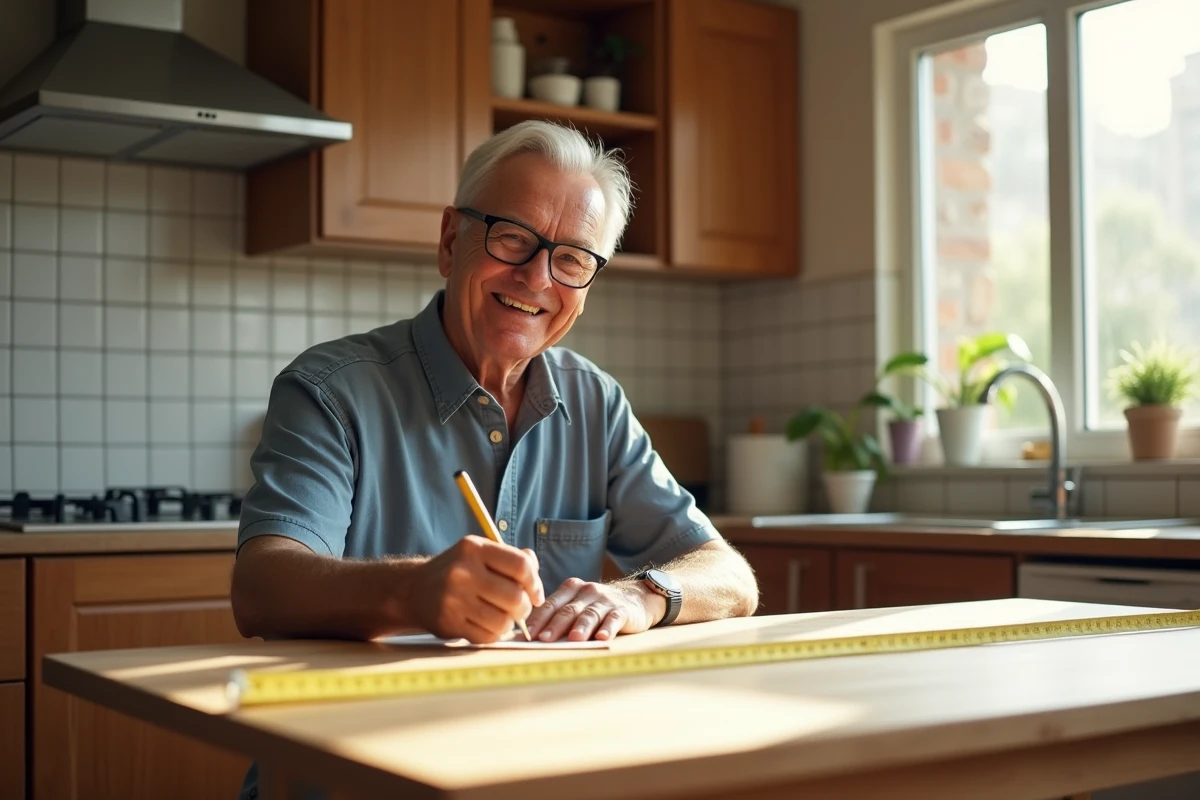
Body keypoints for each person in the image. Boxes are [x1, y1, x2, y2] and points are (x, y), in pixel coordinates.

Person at [231, 119, 758, 654]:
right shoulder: (329, 391)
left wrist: (638, 596)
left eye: (572, 258)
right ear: (450, 241)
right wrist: (411, 591)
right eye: (513, 238)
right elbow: (260, 588)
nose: (538, 278)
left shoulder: (595, 403)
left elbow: (729, 575)